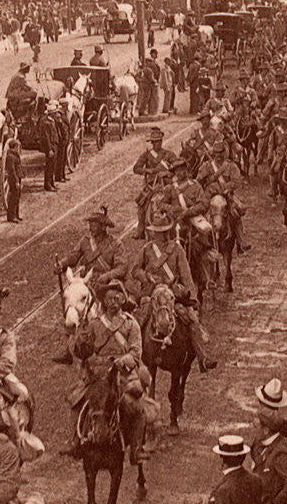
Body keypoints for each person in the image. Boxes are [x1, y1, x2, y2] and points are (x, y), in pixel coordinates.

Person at [71, 280, 149, 463]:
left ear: (123, 300)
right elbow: (83, 352)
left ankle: (136, 448)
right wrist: (80, 341)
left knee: (136, 407)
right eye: (109, 299)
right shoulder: (94, 324)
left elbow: (136, 352)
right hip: (98, 375)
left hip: (123, 375)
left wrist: (123, 361)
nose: (113, 302)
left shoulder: (131, 324)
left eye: (116, 298)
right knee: (76, 400)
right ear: (104, 302)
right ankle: (75, 441)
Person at [130, 209, 215, 372]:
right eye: (157, 232)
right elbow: (135, 270)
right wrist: (147, 276)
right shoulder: (146, 249)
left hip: (173, 293)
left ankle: (203, 357)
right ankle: (136, 359)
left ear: (167, 232)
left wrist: (192, 299)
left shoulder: (177, 249)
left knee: (191, 320)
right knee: (140, 321)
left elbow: (186, 276)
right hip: (151, 293)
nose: (159, 235)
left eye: (162, 232)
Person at [133, 127, 178, 239]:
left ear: (161, 141)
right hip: (152, 185)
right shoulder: (147, 155)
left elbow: (178, 167)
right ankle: (141, 228)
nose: (155, 144)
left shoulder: (169, 154)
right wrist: (148, 171)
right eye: (153, 142)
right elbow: (136, 168)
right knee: (141, 203)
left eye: (158, 141)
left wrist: (168, 173)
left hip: (167, 184)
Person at [5, 137, 23, 223]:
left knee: (17, 196)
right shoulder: (10, 157)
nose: (18, 148)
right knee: (14, 197)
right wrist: (16, 181)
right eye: (17, 147)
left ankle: (16, 215)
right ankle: (11, 216)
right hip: (14, 179)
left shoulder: (14, 155)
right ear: (14, 147)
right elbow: (12, 170)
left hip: (17, 178)